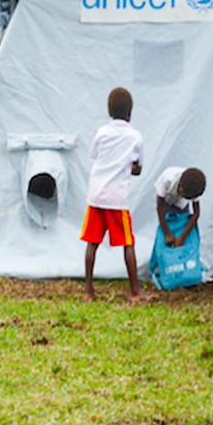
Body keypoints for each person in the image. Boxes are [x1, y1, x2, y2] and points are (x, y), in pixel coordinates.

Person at [79, 87, 144, 301]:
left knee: (92, 243)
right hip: (117, 198)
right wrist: (131, 167)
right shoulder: (135, 137)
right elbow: (137, 168)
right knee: (127, 243)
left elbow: (94, 155)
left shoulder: (102, 132)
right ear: (130, 113)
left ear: (109, 111)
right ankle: (135, 291)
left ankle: (89, 291)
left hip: (97, 195)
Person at [153, 167, 206, 246]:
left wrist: (182, 237)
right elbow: (159, 207)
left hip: (181, 206)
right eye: (184, 195)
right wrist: (167, 233)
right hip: (166, 201)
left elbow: (196, 213)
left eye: (188, 198)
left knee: (181, 224)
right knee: (165, 230)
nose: (185, 197)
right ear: (180, 186)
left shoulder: (195, 188)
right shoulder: (167, 178)